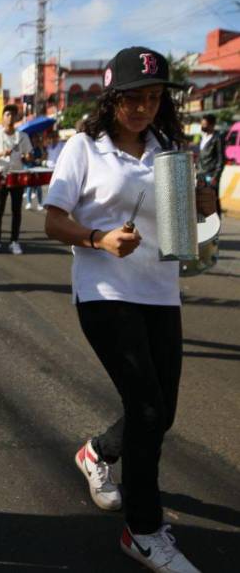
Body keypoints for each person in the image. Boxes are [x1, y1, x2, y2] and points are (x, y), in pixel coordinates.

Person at [43, 47, 215, 573]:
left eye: (154, 97)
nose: (143, 107)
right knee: (145, 410)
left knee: (161, 413)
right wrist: (97, 238)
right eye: (133, 98)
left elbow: (187, 217)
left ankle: (98, 452)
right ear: (111, 98)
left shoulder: (169, 148)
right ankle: (143, 531)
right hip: (104, 291)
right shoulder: (84, 148)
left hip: (159, 290)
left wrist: (204, 199)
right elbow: (53, 221)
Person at [0, 104, 32, 254]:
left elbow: (29, 155)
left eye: (13, 115)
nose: (10, 117)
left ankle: (14, 241)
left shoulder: (23, 136)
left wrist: (27, 156)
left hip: (17, 175)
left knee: (17, 211)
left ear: (16, 118)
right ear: (3, 117)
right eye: (7, 114)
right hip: (0, 175)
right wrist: (1, 153)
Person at [197, 113, 224, 217]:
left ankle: (216, 224)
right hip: (200, 174)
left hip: (211, 174)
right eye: (202, 124)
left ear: (212, 125)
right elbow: (201, 156)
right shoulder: (203, 137)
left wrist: (216, 176)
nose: (202, 126)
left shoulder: (218, 138)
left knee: (213, 199)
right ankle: (207, 227)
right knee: (202, 200)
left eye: (205, 124)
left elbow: (221, 159)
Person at [24, 133, 45, 211]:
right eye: (34, 138)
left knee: (39, 186)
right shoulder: (28, 147)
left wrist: (40, 158)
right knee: (30, 185)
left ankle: (40, 203)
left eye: (37, 138)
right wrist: (33, 159)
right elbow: (27, 158)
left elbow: (44, 156)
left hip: (38, 168)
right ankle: (29, 202)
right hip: (30, 168)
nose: (35, 139)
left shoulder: (40, 147)